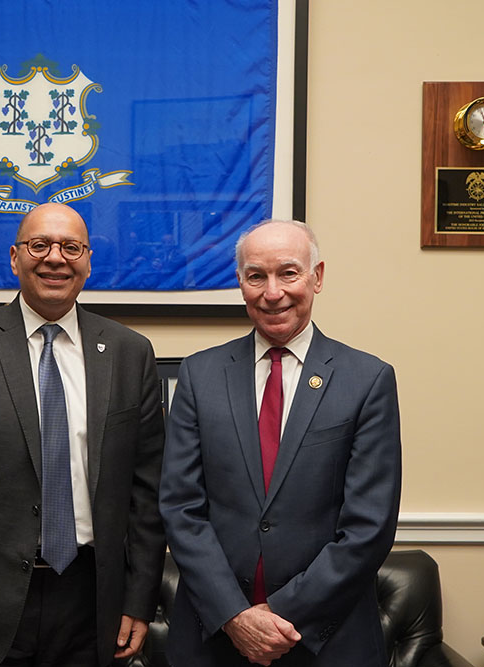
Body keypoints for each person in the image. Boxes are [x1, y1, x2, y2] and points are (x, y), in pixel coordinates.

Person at [0, 202, 166, 667]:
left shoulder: (130, 353)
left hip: (93, 598)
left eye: (70, 247)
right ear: (14, 257)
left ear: (88, 260)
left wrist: (138, 600)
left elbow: (148, 493)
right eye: (39, 245)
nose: (55, 258)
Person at [159, 220, 402, 667]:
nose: (273, 292)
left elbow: (369, 527)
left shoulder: (367, 380)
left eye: (288, 273)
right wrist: (235, 617)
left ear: (318, 276)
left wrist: (279, 615)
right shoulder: (199, 376)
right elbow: (180, 508)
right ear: (241, 283)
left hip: (328, 638)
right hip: (213, 638)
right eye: (256, 276)